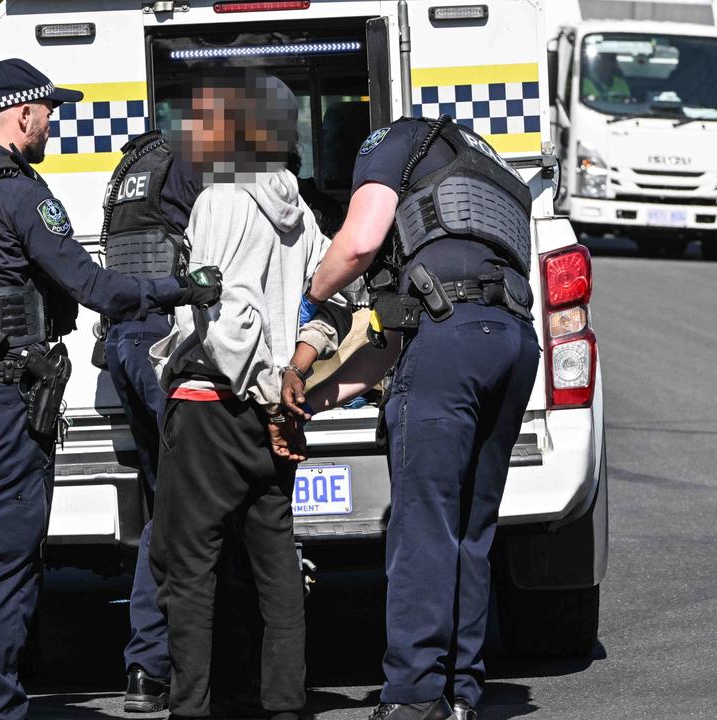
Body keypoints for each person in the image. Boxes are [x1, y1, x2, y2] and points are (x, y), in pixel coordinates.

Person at [0, 58, 221, 720]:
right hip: (3, 411)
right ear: (21, 115)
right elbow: (97, 289)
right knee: (3, 572)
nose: (52, 123)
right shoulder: (18, 194)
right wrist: (183, 286)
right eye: (48, 112)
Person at [297, 116, 541, 720]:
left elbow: (356, 243)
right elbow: (403, 336)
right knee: (471, 528)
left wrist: (313, 290)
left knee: (424, 526)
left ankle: (412, 696)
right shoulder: (490, 169)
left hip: (451, 340)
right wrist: (320, 398)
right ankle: (460, 691)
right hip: (512, 338)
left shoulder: (390, 142)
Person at [147, 71, 350, 720]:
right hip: (274, 416)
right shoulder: (302, 211)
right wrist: (297, 367)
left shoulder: (221, 200)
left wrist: (266, 394)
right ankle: (285, 707)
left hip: (214, 407)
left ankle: (192, 708)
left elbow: (228, 320)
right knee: (277, 573)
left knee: (189, 574)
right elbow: (335, 295)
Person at [95, 128, 202, 713]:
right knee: (191, 508)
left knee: (167, 508)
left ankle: (147, 667)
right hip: (165, 347)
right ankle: (187, 664)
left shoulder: (136, 166)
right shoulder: (191, 164)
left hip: (127, 343)